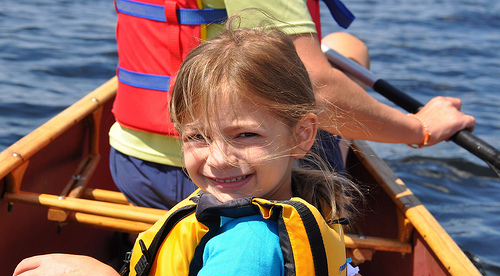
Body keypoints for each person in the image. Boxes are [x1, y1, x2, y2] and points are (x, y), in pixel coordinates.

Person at [9, 24, 498, 276]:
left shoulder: (249, 243)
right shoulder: (296, 224)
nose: (219, 159)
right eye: (197, 137)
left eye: (245, 134)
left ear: (304, 134)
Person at [109, 0, 475, 210]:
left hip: (135, 169)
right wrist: (420, 129)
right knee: (336, 72)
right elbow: (320, 89)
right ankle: (329, 207)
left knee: (346, 47)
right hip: (211, 177)